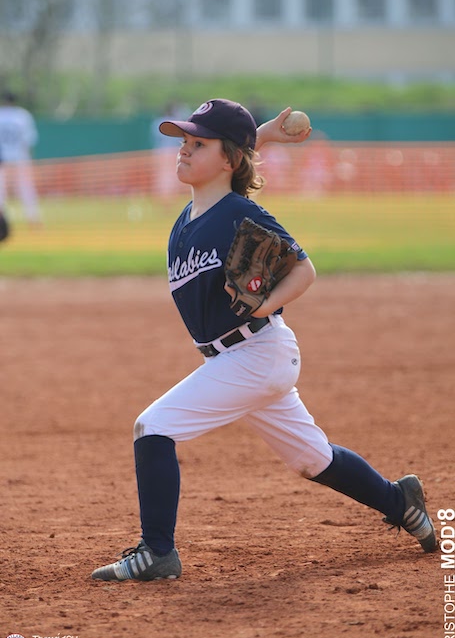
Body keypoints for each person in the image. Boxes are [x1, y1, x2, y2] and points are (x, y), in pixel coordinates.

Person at [92, 99, 437, 582]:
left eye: (198, 144)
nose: (184, 150)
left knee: (153, 427)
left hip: (256, 352)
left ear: (228, 160)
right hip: (238, 358)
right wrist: (264, 135)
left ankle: (158, 553)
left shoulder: (239, 213)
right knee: (313, 459)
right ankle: (401, 502)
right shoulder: (187, 219)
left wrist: (265, 303)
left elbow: (304, 269)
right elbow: (232, 155)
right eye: (184, 141)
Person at [0, 90, 42, 227]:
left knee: (1, 189)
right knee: (26, 187)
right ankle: (33, 218)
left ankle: (1, 219)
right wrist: (30, 157)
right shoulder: (22, 115)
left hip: (2, 157)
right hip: (20, 156)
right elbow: (29, 139)